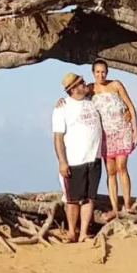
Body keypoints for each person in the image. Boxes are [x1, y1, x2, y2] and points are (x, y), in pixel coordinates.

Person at [52, 71, 104, 242]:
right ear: (73, 90)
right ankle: (71, 232)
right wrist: (62, 161)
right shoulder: (62, 108)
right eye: (81, 83)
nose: (85, 85)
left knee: (89, 199)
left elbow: (109, 86)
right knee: (72, 200)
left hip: (94, 158)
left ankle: (83, 233)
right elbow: (58, 137)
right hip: (74, 160)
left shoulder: (91, 100)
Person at [91, 58, 137, 216]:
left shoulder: (116, 85)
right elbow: (75, 96)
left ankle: (127, 203)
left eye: (103, 72)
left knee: (121, 167)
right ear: (93, 73)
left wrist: (135, 129)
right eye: (98, 72)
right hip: (105, 134)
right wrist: (62, 101)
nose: (101, 75)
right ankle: (114, 207)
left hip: (122, 130)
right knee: (110, 171)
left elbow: (131, 107)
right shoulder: (90, 89)